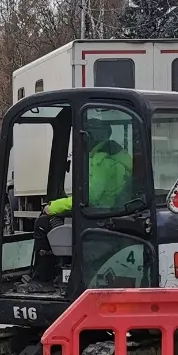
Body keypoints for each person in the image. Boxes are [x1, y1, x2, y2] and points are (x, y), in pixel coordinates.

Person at [26, 119, 134, 289]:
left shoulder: (102, 161)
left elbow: (89, 197)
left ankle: (42, 279)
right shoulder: (117, 157)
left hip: (97, 215)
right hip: (108, 212)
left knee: (43, 223)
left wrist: (53, 207)